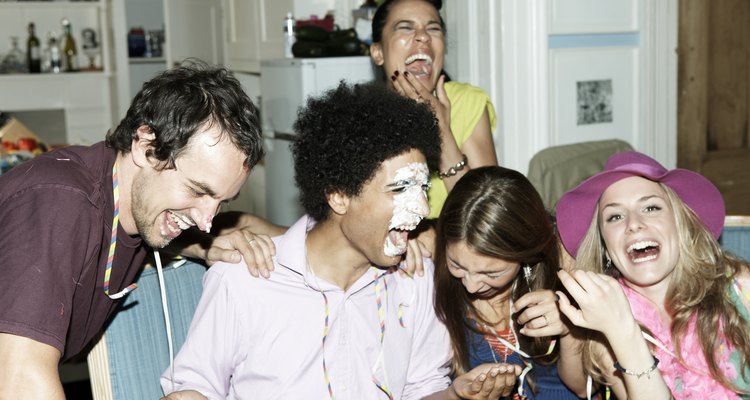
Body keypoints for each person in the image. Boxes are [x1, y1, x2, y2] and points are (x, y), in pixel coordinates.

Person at [161, 82, 521, 400]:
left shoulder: (416, 281)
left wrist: (456, 395)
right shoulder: (245, 280)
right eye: (399, 188)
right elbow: (196, 386)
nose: (422, 206)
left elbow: (421, 388)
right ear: (338, 196)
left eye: (422, 187)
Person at [0, 60, 270, 398]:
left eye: (220, 202)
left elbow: (247, 226)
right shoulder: (60, 202)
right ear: (146, 148)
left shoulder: (139, 206)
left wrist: (199, 244)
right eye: (198, 190)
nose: (207, 220)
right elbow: (19, 379)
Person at [554, 151, 750, 399]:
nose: (633, 223)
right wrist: (622, 330)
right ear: (605, 247)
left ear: (682, 224)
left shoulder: (740, 287)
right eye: (615, 216)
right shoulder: (603, 336)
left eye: (651, 207)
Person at [433, 166, 580, 399]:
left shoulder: (563, 273)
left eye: (491, 274)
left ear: (526, 253)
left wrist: (569, 327)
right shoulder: (431, 288)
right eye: (457, 265)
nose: (470, 286)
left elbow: (581, 387)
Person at [370, 0, 499, 222]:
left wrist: (442, 133)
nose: (423, 36)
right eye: (405, 27)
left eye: (433, 28)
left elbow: (490, 217)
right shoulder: (360, 118)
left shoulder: (466, 102)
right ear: (378, 52)